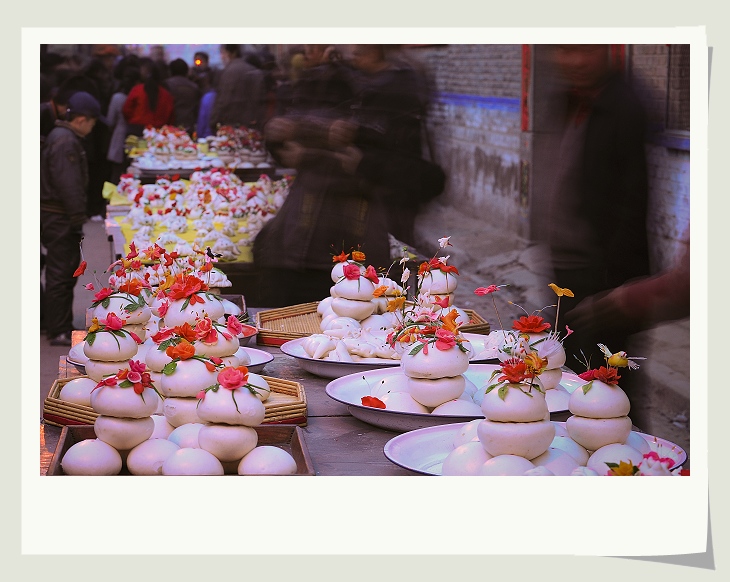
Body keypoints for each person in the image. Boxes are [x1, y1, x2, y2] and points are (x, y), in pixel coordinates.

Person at [542, 44, 652, 428]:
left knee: (612, 387)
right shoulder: (566, 99)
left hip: (607, 279)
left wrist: (614, 287)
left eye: (585, 51)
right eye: (565, 51)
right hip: (564, 266)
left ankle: (632, 457)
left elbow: (632, 204)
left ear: (607, 51)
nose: (575, 61)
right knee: (568, 376)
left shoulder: (623, 106)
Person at [252, 44, 392, 306]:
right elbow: (283, 140)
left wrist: (310, 151)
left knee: (348, 305)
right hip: (301, 232)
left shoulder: (370, 94)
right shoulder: (315, 83)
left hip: (348, 231)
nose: (309, 53)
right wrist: (279, 133)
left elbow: (369, 160)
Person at [40, 91, 101, 346]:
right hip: (59, 215)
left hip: (56, 213)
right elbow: (69, 184)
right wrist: (77, 217)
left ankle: (55, 324)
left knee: (61, 271)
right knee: (61, 272)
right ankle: (59, 329)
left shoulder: (61, 137)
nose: (92, 128)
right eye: (92, 122)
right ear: (81, 120)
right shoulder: (66, 141)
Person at [209, 44, 267, 131]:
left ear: (232, 53)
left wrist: (213, 121)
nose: (222, 57)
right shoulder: (253, 70)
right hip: (251, 124)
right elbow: (259, 99)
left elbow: (223, 101)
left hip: (230, 124)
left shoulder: (228, 72)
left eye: (223, 53)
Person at [122, 57, 175, 137]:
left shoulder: (137, 90)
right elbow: (171, 117)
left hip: (136, 130)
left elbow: (126, 110)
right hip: (158, 133)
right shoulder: (166, 95)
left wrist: (133, 120)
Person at [106, 66, 141, 185]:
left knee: (117, 173)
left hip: (119, 135)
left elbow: (110, 121)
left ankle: (113, 192)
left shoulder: (117, 98)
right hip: (137, 136)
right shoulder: (140, 97)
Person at [164, 58, 200, 137]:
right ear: (186, 71)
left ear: (170, 71)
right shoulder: (194, 87)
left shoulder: (167, 85)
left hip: (170, 125)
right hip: (189, 124)